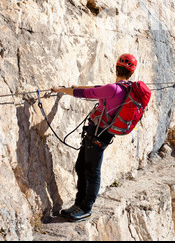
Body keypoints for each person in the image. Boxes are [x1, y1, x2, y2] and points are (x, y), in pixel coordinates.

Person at [52, 53, 138, 222]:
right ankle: (79, 204)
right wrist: (75, 86)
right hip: (100, 133)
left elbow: (87, 93)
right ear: (131, 73)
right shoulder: (124, 88)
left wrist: (61, 90)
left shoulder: (113, 89)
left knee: (91, 171)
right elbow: (96, 88)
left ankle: (86, 208)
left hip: (98, 134)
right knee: (81, 167)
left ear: (116, 67)